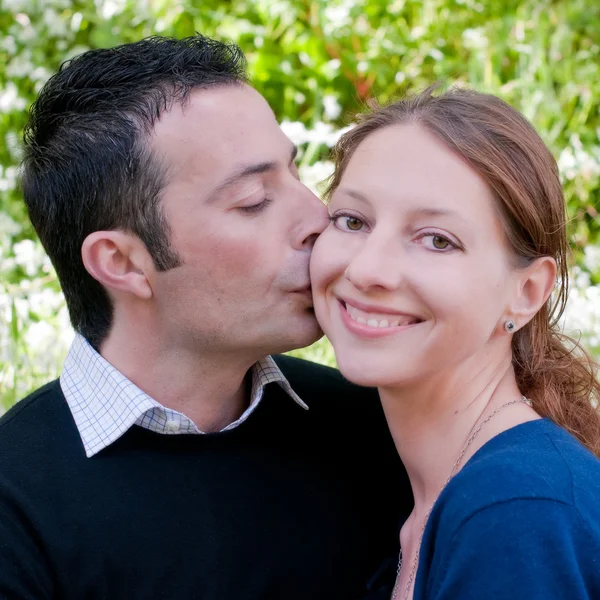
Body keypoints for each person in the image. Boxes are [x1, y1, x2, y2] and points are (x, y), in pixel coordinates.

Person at [0, 35, 411, 599]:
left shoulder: (373, 423)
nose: (318, 217)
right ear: (122, 262)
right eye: (253, 200)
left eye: (297, 173)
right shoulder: (16, 502)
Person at [310, 86, 600, 600]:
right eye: (352, 221)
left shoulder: (518, 510)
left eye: (437, 239)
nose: (367, 269)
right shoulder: (416, 491)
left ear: (526, 291)